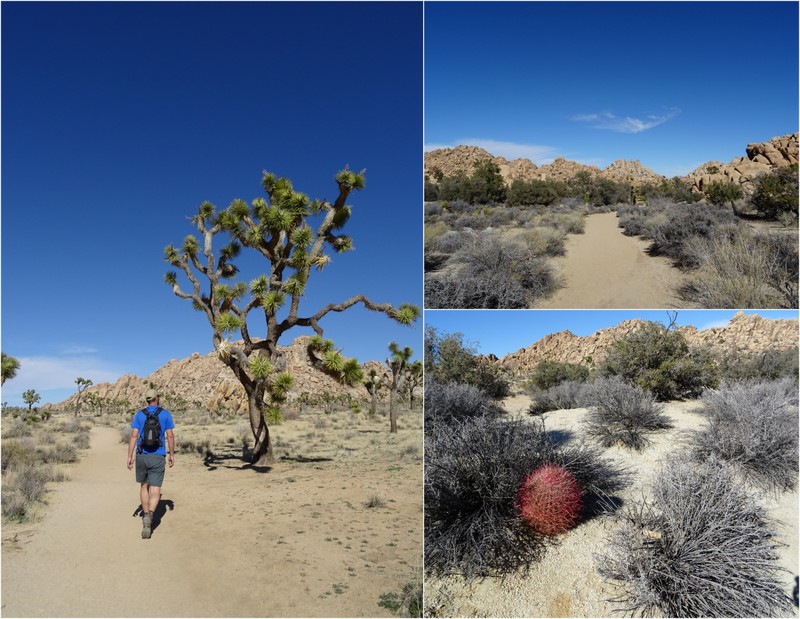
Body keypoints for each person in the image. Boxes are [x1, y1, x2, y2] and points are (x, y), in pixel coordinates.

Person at [127, 389, 175, 539]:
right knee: (155, 489)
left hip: (142, 455)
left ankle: (145, 513)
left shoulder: (140, 414)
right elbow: (170, 435)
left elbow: (134, 435)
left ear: (147, 400)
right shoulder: (165, 414)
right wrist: (172, 454)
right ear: (156, 398)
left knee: (143, 486)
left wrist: (129, 455)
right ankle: (151, 516)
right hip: (158, 456)